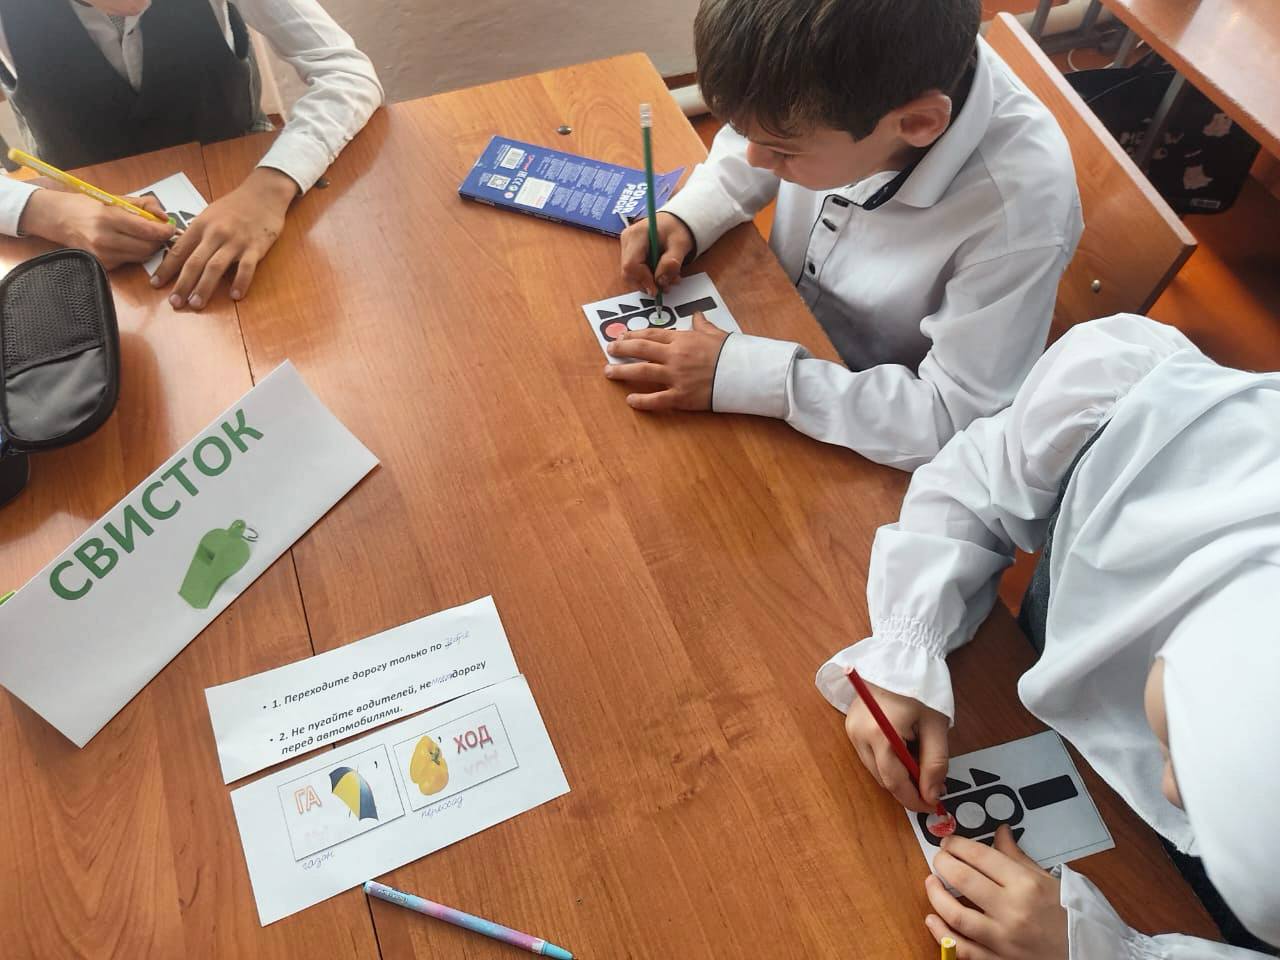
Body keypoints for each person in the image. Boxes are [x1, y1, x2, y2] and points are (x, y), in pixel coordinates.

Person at [819, 314, 1280, 957]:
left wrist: (1104, 952)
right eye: (1177, 744)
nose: (1169, 791)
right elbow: (974, 480)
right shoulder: (1139, 417)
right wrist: (908, 644)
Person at [610, 0, 1081, 472]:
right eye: (741, 131)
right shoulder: (863, 77)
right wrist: (692, 214)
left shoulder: (1018, 214)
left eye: (782, 151)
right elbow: (761, 131)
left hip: (865, 427)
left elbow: (954, 418)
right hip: (779, 329)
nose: (753, 158)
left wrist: (748, 376)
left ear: (917, 124)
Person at [0, 0, 382, 309]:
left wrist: (270, 188)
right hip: (83, 234)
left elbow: (346, 72)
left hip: (239, 179)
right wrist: (49, 213)